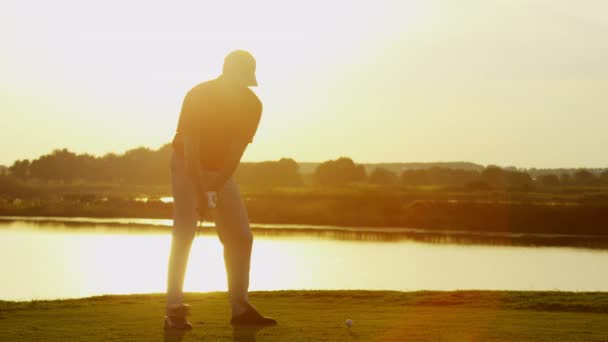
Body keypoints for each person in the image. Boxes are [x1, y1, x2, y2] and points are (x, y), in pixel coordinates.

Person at [164, 50, 277, 330]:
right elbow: (191, 146)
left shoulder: (252, 104)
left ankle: (240, 308)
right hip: (186, 164)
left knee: (241, 236)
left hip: (221, 171)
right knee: (185, 230)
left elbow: (235, 152)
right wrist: (201, 192)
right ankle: (174, 310)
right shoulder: (199, 95)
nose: (243, 84)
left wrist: (215, 185)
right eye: (240, 76)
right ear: (227, 70)